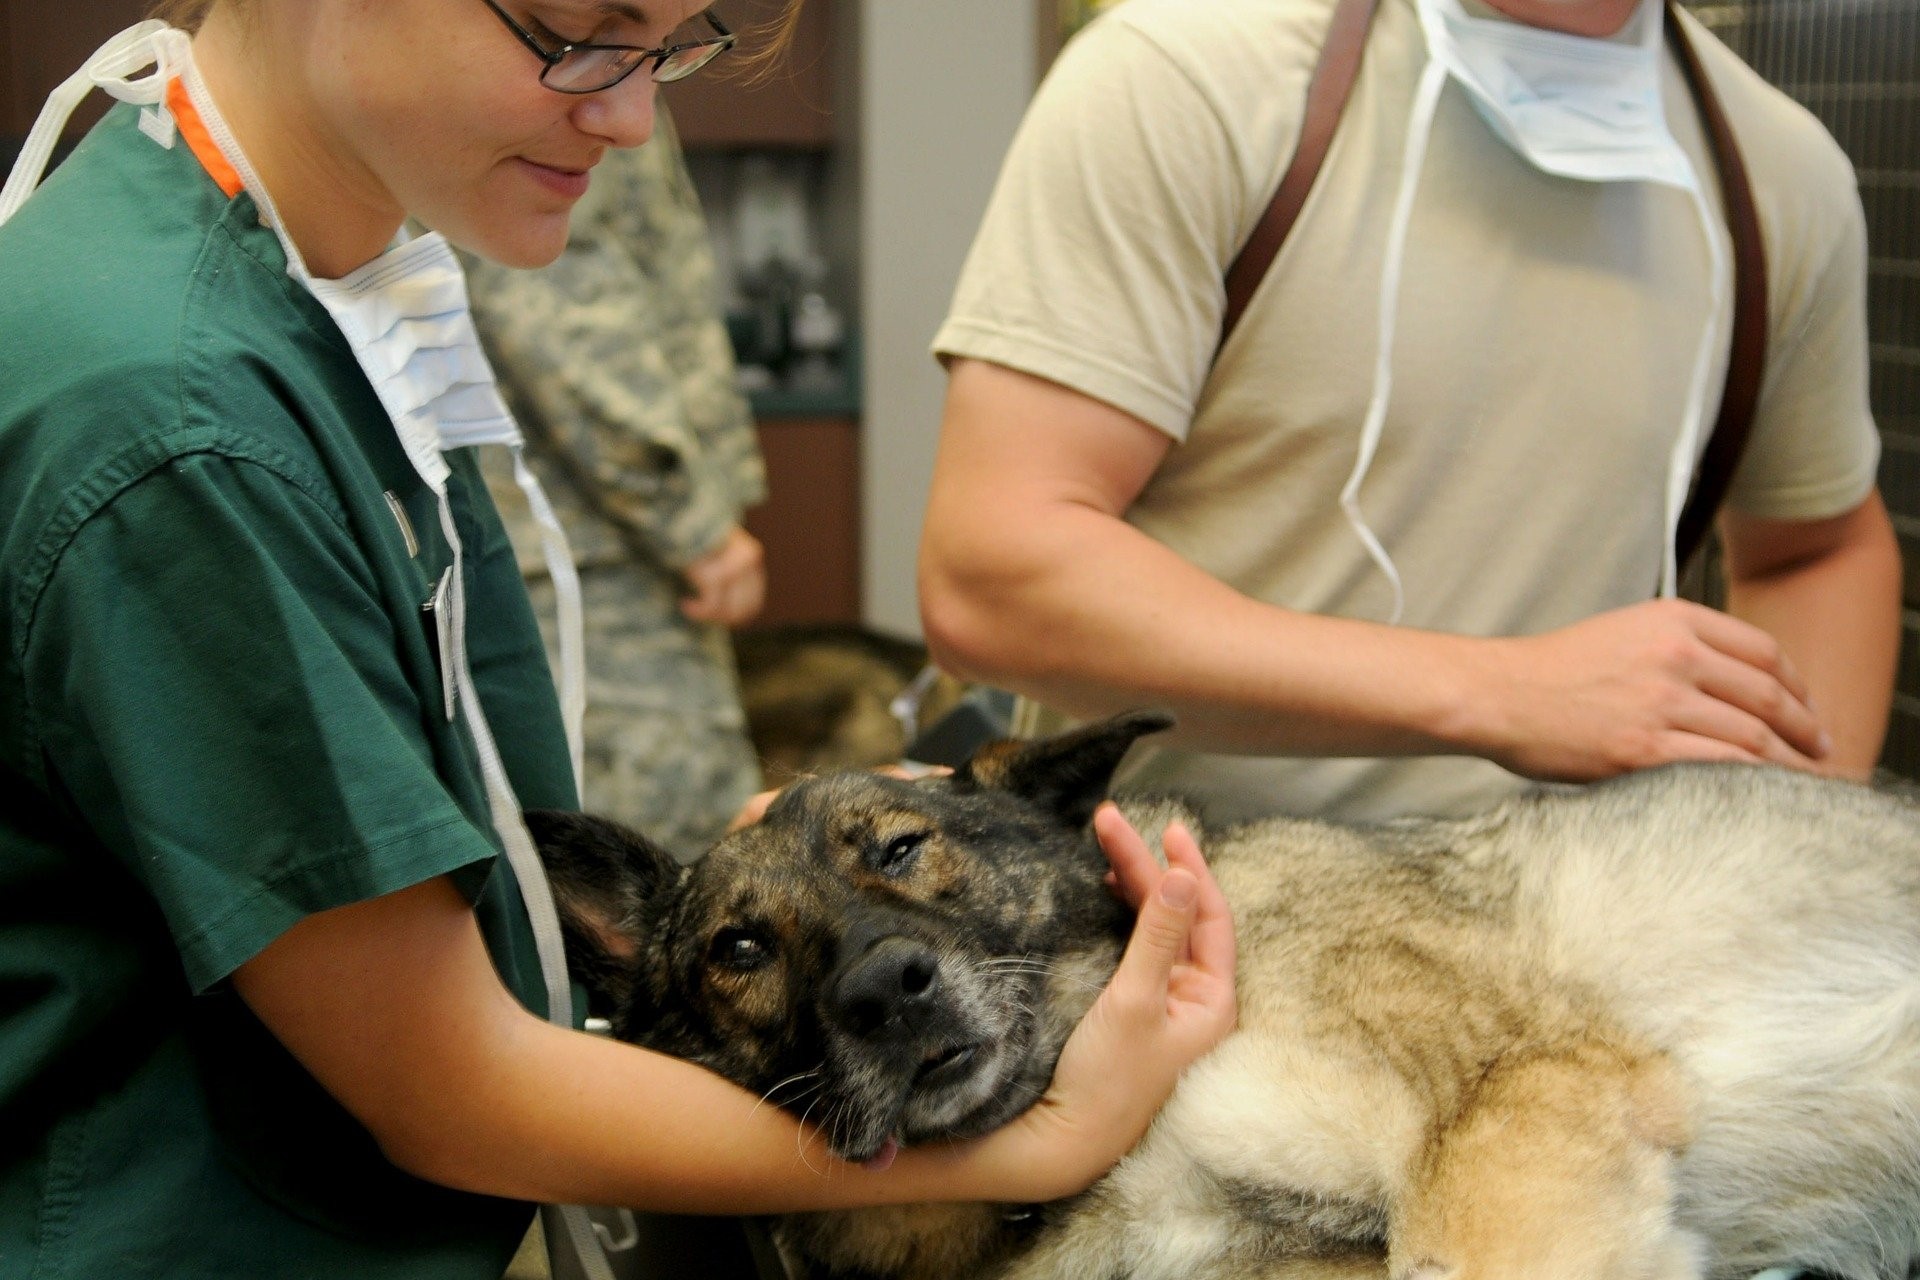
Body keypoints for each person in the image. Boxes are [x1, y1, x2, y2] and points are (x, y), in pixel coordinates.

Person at [0, 3, 1237, 1279]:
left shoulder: (322, 296)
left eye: (671, 48)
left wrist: (806, 872)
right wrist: (1045, 1136)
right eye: (574, 33)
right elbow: (450, 1084)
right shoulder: (178, 424)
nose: (633, 115)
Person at [921, 0, 1902, 826]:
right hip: (1180, 947)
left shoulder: (1779, 176)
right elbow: (994, 572)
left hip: (1584, 956)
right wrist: (1502, 692)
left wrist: (1790, 846)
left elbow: (1817, 546)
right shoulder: (1192, 78)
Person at [461, 107, 768, 860]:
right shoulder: (567, 61)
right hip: (590, 554)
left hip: (575, 540)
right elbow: (559, 305)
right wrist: (690, 522)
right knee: (665, 880)